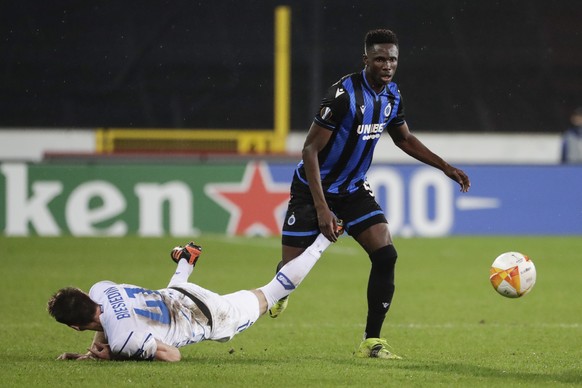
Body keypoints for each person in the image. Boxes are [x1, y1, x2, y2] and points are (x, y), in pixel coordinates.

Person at [270, 28, 471, 359]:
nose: (387, 65)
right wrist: (322, 210)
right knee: (291, 272)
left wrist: (445, 167)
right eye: (380, 59)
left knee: (386, 254)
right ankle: (280, 285)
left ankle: (372, 341)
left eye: (392, 59)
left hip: (352, 190)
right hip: (312, 189)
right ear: (366, 60)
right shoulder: (343, 96)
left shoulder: (392, 96)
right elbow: (309, 151)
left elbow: (404, 139)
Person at [47, 229, 339, 362]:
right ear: (87, 295)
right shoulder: (101, 289)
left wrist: (116, 355)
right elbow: (107, 317)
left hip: (209, 316)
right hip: (180, 294)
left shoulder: (124, 340)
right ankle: (187, 259)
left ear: (74, 326)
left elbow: (172, 355)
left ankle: (326, 238)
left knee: (271, 293)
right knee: (167, 294)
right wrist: (92, 354)